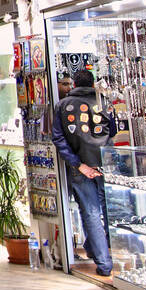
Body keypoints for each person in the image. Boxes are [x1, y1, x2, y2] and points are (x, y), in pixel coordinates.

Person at [51, 69, 117, 278]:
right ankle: (104, 254)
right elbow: (112, 130)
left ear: (73, 84)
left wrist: (78, 164)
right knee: (106, 211)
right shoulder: (103, 101)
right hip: (104, 164)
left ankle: (103, 262)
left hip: (80, 166)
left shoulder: (63, 106)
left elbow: (59, 139)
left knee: (89, 212)